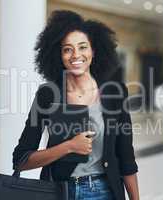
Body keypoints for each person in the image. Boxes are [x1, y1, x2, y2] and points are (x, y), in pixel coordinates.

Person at [12, 10, 140, 200]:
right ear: (59, 55)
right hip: (61, 192)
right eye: (67, 49)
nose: (76, 55)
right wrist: (69, 147)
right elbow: (20, 160)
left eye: (82, 47)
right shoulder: (47, 96)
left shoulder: (115, 93)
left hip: (104, 191)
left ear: (93, 51)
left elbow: (126, 157)